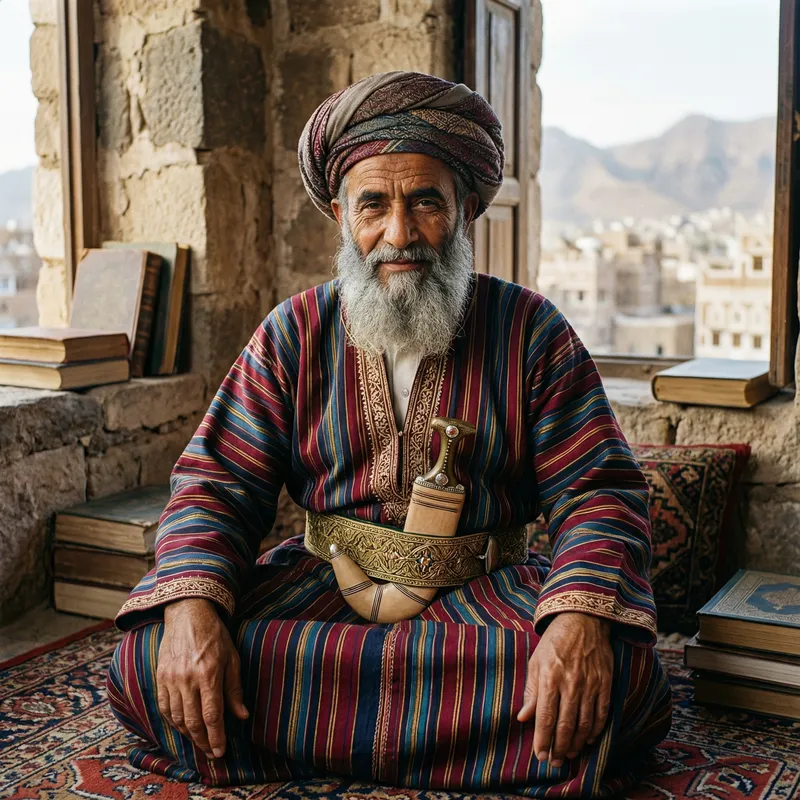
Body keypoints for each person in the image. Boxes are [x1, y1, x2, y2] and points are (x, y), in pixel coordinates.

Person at [107, 71, 671, 798]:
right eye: (374, 205)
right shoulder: (293, 333)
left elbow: (598, 493)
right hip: (322, 587)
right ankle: (479, 754)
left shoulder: (530, 331)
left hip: (486, 598)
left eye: (426, 202)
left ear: (466, 210)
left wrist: (575, 624)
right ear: (340, 214)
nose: (399, 234)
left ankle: (307, 741)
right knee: (150, 659)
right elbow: (216, 484)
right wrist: (191, 611)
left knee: (622, 679)